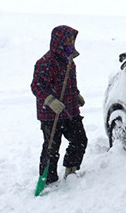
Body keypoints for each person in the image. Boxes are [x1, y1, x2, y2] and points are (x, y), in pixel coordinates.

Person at [31, 25, 88, 185]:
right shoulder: (46, 62)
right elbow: (36, 86)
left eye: (72, 39)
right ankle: (47, 179)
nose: (71, 42)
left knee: (80, 139)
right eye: (67, 39)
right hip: (51, 114)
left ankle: (71, 168)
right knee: (51, 148)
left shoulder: (69, 61)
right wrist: (50, 101)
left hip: (70, 111)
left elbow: (68, 83)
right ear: (59, 41)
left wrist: (76, 94)